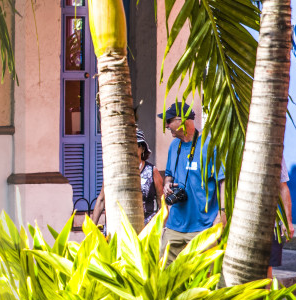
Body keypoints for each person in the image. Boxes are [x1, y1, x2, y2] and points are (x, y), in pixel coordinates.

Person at [159, 102, 226, 262]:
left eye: (169, 121)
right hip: (175, 225)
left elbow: (223, 182)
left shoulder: (210, 146)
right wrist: (167, 184)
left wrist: (221, 214)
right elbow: (169, 174)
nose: (166, 126)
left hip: (203, 226)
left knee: (203, 278)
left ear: (183, 120)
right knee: (165, 274)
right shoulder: (174, 146)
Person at [90, 128, 164, 229]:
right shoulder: (113, 170)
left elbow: (161, 200)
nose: (132, 148)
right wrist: (91, 229)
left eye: (136, 145)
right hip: (117, 226)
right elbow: (102, 199)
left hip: (144, 227)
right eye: (128, 145)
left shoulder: (152, 171)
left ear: (142, 149)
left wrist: (161, 226)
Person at [269, 159, 294, 279]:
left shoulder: (274, 150)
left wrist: (288, 221)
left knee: (266, 270)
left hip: (268, 221)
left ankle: (266, 297)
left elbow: (283, 187)